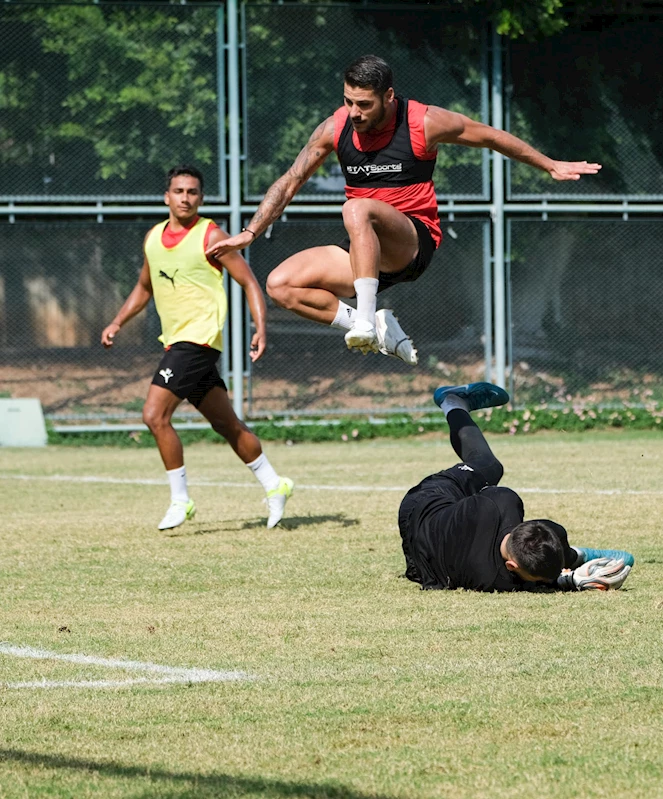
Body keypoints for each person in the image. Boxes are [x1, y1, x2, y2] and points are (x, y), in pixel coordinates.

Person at [206, 54, 602, 364]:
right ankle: (374, 327)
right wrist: (250, 232)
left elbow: (490, 137)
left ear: (389, 97)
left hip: (412, 241)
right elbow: (291, 179)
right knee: (281, 284)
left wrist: (550, 164)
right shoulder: (336, 126)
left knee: (357, 207)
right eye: (348, 101)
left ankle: (364, 314)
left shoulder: (423, 122)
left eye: (363, 104)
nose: (354, 112)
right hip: (366, 252)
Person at [101, 165, 293, 531]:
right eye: (179, 191)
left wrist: (261, 327)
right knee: (227, 425)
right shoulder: (153, 239)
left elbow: (250, 282)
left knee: (154, 415)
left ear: (201, 198)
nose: (185, 198)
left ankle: (180, 500)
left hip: (198, 340)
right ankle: (275, 485)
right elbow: (144, 287)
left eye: (192, 192)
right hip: (177, 341)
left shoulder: (210, 236)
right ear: (166, 196)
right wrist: (117, 322)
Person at [399, 381, 634, 592]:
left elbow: (542, 567)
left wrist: (570, 565)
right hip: (423, 520)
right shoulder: (491, 578)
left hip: (423, 522)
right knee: (488, 469)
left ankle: (454, 403)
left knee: (488, 466)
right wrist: (574, 578)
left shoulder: (502, 501)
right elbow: (542, 583)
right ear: (511, 566)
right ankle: (451, 400)